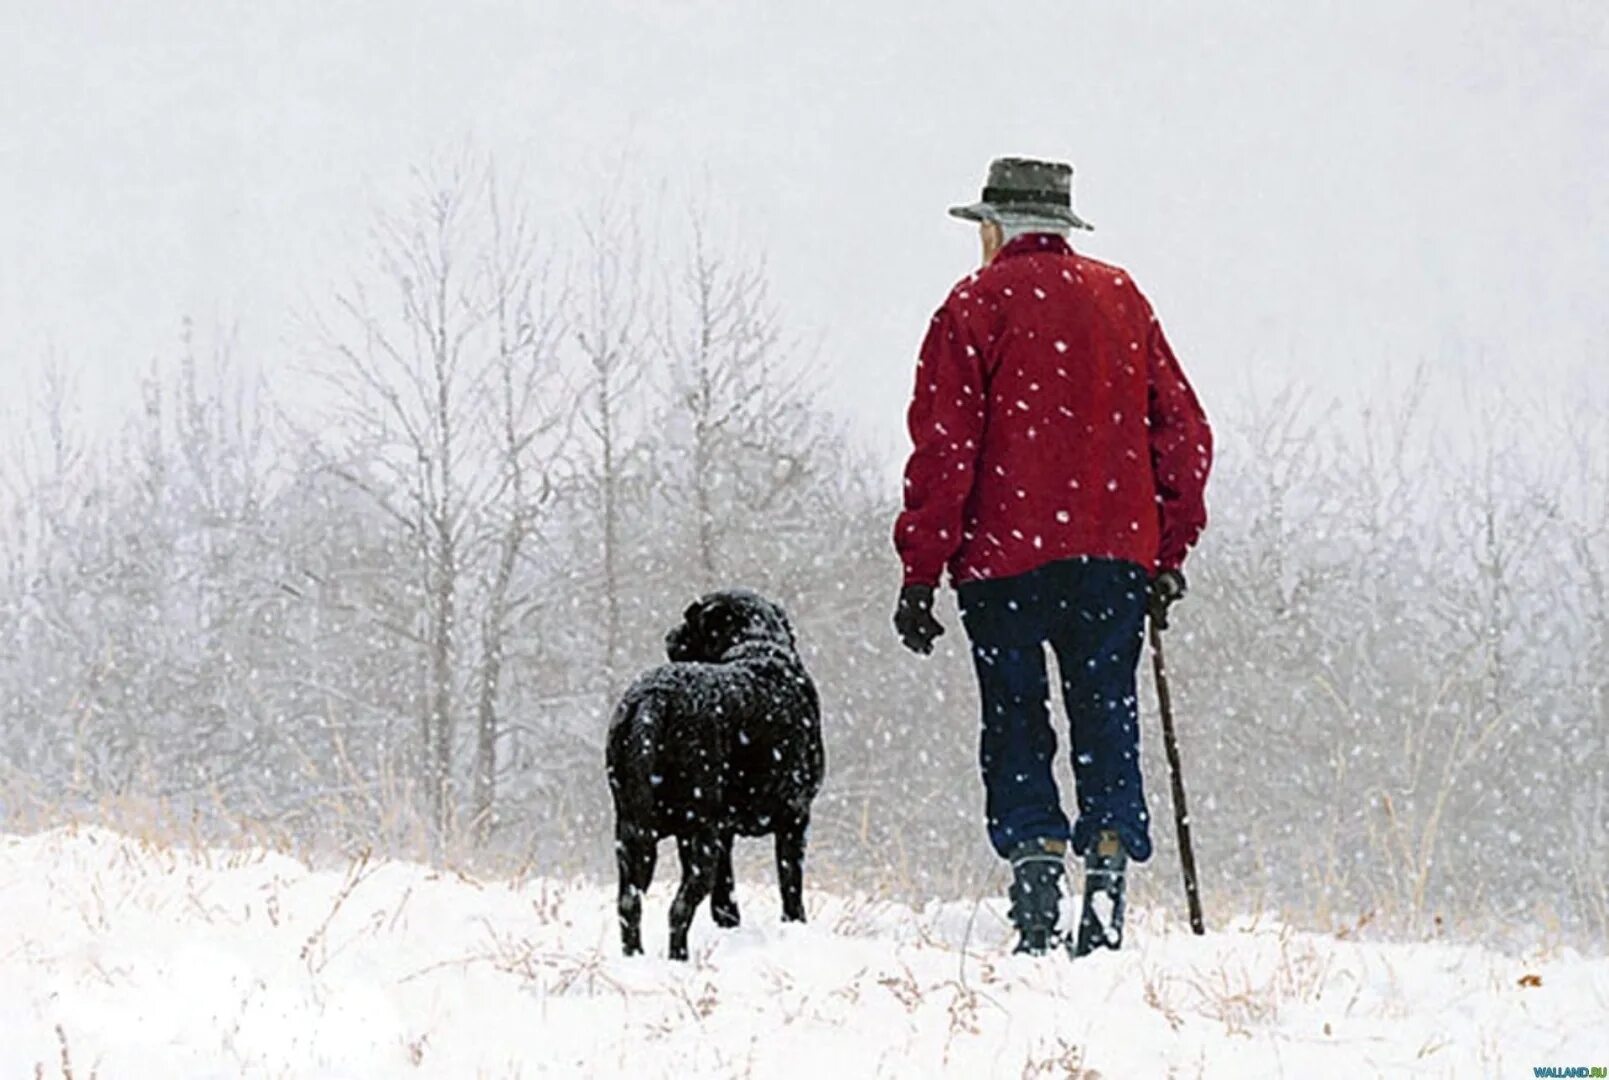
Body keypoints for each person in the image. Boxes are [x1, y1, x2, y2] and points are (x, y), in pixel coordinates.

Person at [892, 157, 1212, 956]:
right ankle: (1106, 868)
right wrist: (1168, 549)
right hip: (1112, 553)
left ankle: (1035, 868)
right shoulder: (1121, 298)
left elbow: (943, 449)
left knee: (1015, 714)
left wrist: (920, 570)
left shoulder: (972, 306)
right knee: (1106, 711)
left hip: (1002, 558)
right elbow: (1182, 433)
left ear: (994, 229)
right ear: (1063, 229)